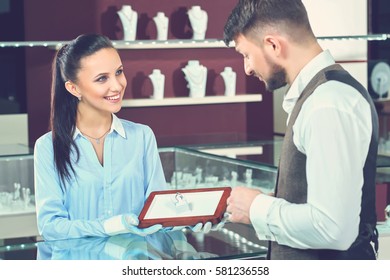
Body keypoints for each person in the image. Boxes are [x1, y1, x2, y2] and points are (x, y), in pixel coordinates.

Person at [223, 0, 379, 259]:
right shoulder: (319, 97)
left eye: (246, 55)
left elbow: (333, 228)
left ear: (273, 45)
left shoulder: (326, 103)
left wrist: (257, 208)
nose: (247, 68)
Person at [34, 34, 167, 241]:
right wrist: (110, 226)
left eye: (119, 72)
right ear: (73, 88)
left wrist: (190, 218)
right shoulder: (47, 147)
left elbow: (158, 213)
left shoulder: (142, 137)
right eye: (102, 78)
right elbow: (51, 227)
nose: (117, 86)